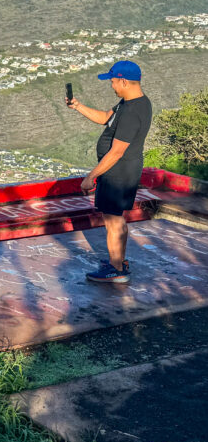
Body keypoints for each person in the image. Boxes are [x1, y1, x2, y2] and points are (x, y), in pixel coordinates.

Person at [67, 60, 151, 283]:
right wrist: (78, 106)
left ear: (123, 80)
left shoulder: (133, 111)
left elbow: (116, 152)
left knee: (112, 221)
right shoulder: (130, 103)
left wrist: (90, 177)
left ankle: (115, 269)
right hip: (122, 171)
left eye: (113, 82)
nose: (112, 86)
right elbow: (106, 117)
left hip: (117, 173)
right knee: (116, 218)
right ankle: (119, 261)